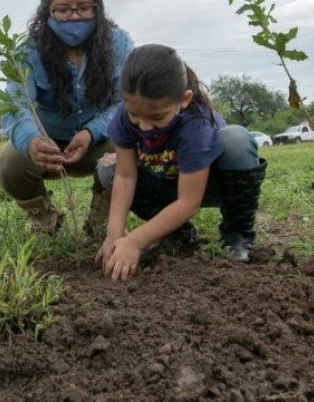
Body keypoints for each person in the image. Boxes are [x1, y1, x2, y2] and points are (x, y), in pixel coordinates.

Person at [95, 44, 267, 280]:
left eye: (156, 117)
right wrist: (114, 235)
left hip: (211, 185)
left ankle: (237, 234)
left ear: (184, 99)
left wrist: (135, 241)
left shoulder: (196, 123)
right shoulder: (125, 117)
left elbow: (189, 202)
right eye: (135, 115)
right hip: (165, 183)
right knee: (109, 172)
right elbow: (125, 177)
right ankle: (177, 234)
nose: (144, 126)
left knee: (236, 139)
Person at [0, 0, 134, 235]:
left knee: (130, 149)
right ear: (48, 10)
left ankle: (102, 215)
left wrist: (89, 132)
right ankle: (44, 217)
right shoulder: (27, 50)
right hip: (48, 146)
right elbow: (16, 107)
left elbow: (126, 102)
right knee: (10, 164)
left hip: (97, 143)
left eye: (84, 7)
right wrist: (33, 142)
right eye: (63, 10)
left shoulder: (119, 43)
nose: (74, 17)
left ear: (97, 7)